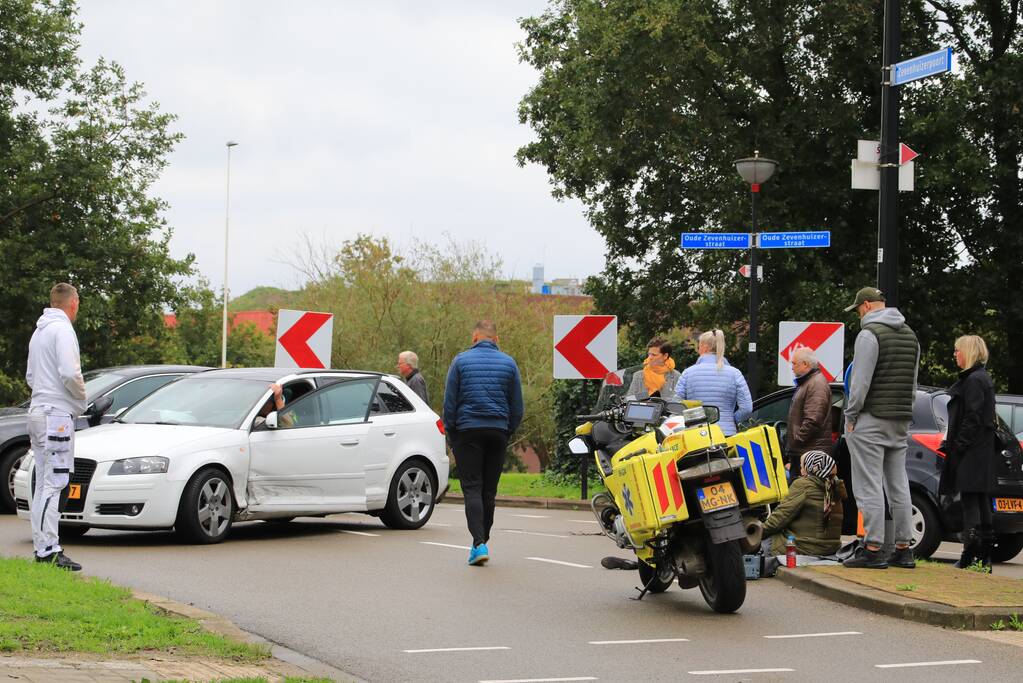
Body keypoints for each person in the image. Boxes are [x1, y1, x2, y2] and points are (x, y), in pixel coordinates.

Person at [841, 286, 919, 570]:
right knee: (898, 483)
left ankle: (873, 548)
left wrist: (851, 415)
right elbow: (912, 384)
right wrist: (905, 412)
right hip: (900, 418)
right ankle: (903, 548)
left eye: (859, 309)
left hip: (871, 418)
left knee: (869, 483)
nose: (859, 314)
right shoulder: (911, 335)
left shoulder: (868, 335)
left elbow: (860, 383)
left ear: (867, 306)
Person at [443, 320, 523, 566]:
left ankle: (479, 544)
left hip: (467, 431)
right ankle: (482, 540)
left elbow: (450, 402)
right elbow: (517, 406)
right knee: (489, 491)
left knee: (472, 488)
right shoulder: (509, 363)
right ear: (496, 340)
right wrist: (506, 430)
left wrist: (452, 434)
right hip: (497, 431)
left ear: (474, 338)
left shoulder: (460, 361)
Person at [25, 283, 87, 571]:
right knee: (56, 482)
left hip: (38, 410)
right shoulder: (62, 330)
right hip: (56, 416)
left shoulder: (39, 332)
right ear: (72, 304)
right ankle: (49, 549)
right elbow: (69, 372)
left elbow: (29, 376)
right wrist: (80, 399)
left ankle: (42, 546)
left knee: (43, 485)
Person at [939, 335, 997, 571]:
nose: (955, 355)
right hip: (982, 450)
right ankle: (983, 557)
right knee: (981, 502)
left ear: (968, 352)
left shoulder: (973, 380)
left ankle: (969, 554)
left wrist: (959, 446)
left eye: (957, 350)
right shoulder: (983, 378)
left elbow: (972, 417)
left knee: (971, 503)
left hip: (972, 450)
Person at [762, 450, 846, 556]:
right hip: (831, 547)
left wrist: (759, 532)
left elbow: (780, 517)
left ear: (810, 468)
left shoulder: (804, 485)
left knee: (759, 546)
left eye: (802, 467)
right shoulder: (835, 486)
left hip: (806, 547)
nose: (801, 471)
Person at [674, 329, 752, 436]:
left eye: (699, 346)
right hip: (726, 433)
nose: (698, 350)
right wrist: (730, 420)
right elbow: (747, 408)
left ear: (705, 348)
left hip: (696, 434)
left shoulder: (688, 373)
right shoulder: (735, 374)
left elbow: (676, 405)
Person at [786, 347, 833, 475]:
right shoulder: (809, 382)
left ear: (805, 364)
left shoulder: (816, 384)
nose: (792, 367)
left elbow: (813, 421)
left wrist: (796, 440)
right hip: (807, 451)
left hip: (810, 454)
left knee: (806, 493)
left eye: (794, 363)